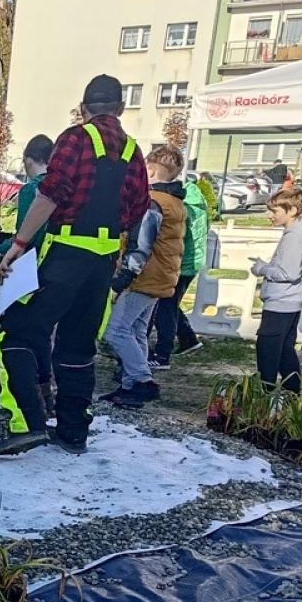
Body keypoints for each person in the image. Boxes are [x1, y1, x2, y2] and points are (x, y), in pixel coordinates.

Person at [0, 75, 150, 457]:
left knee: (16, 333)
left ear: (84, 107)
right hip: (103, 262)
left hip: (64, 255)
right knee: (78, 347)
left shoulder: (75, 139)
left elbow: (50, 195)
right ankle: (74, 432)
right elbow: (139, 207)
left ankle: (26, 422)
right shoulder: (133, 150)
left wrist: (18, 246)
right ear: (122, 108)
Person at [100, 146, 188, 408]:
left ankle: (142, 381)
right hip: (161, 277)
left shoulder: (153, 203)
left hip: (143, 278)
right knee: (136, 331)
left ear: (149, 171)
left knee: (115, 331)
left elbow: (143, 244)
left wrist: (123, 278)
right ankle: (129, 386)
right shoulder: (176, 202)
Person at [0, 136, 56, 427]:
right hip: (56, 273)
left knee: (12, 339)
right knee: (41, 337)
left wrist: (0, 251)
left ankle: (17, 406)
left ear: (29, 159)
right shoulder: (62, 187)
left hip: (27, 274)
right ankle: (46, 397)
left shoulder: (34, 190)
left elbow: (27, 234)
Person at [250, 187, 302, 395]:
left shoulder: (294, 236)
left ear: (293, 210)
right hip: (291, 301)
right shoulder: (300, 232)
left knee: (268, 351)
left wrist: (262, 269)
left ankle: (266, 397)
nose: (270, 215)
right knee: (284, 352)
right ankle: (292, 395)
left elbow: (288, 272)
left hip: (280, 302)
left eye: (275, 211)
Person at [151, 173, 209, 368]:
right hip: (191, 262)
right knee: (171, 304)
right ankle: (188, 339)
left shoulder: (181, 203)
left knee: (164, 308)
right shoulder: (196, 197)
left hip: (179, 263)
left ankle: (162, 355)